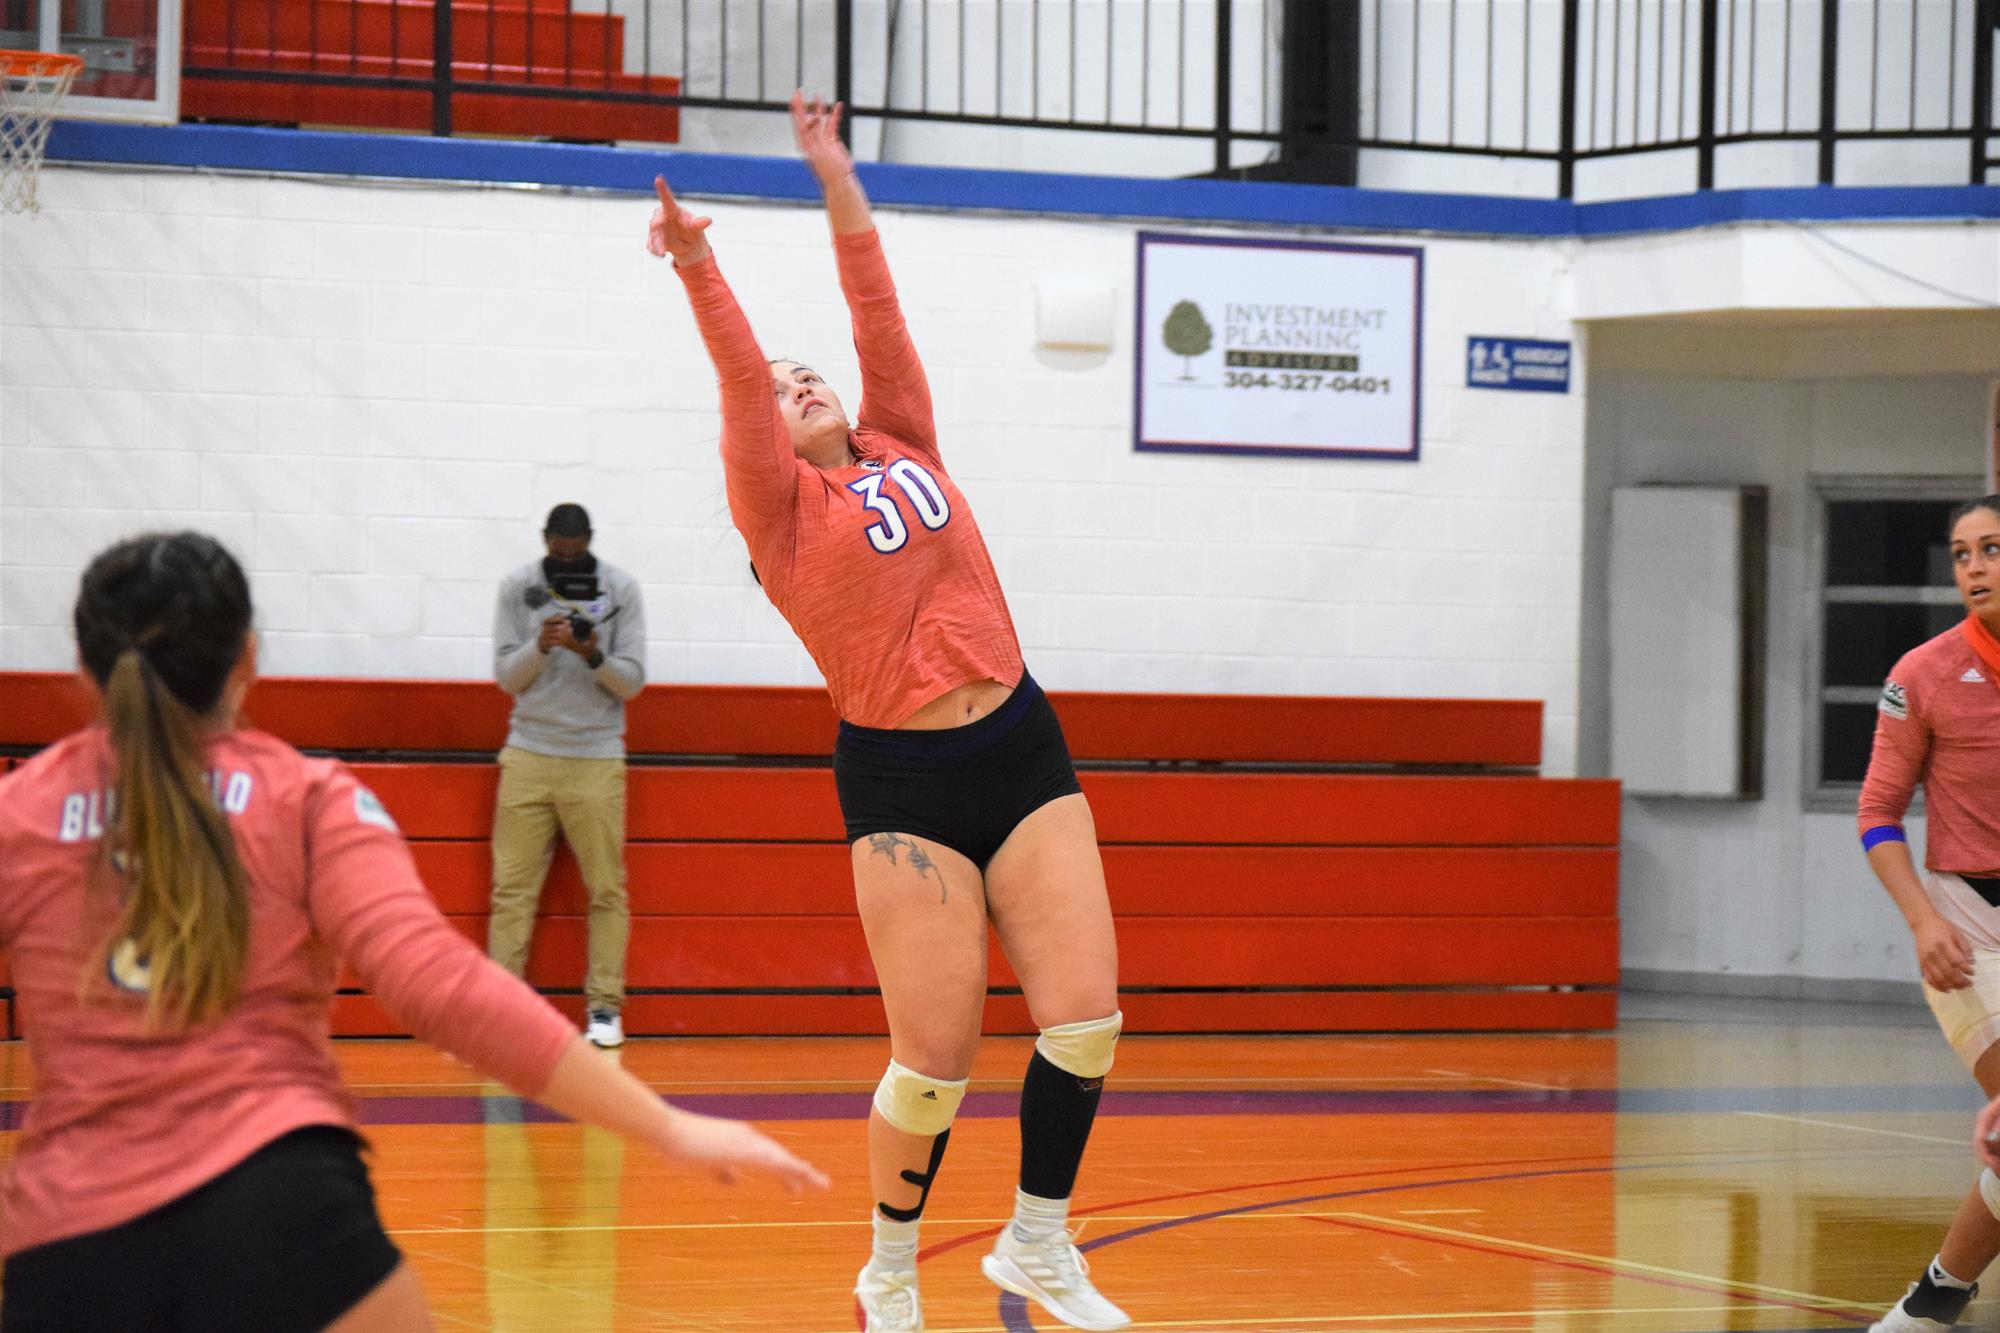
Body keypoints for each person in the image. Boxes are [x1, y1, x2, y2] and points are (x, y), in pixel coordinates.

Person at [0, 531, 823, 1333]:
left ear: (84, 668)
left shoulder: (20, 812)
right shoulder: (307, 799)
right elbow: (444, 988)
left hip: (65, 1235)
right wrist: (665, 1126)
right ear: (249, 656)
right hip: (278, 1202)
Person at [646, 92, 1131, 1333]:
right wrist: (700, 262)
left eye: (810, 375)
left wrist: (835, 175)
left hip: (1018, 741)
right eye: (781, 386)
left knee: (1083, 1021)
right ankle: (890, 1272)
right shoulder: (778, 515)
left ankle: (1036, 1244)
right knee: (935, 1065)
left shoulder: (903, 434)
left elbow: (875, 302)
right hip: (904, 784)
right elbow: (732, 371)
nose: (800, 382)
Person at [1860, 495, 2000, 1332]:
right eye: (1960, 554)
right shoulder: (1923, 674)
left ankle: (1940, 1295)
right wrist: (1922, 921)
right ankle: (1935, 1301)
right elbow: (1877, 812)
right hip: (1966, 924)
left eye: (1991, 548)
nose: (1974, 567)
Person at [491, 502, 646, 1049]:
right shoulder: (518, 586)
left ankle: (605, 1008)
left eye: (576, 555)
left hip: (597, 758)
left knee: (606, 889)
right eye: (560, 555)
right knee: (511, 891)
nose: (568, 561)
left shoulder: (621, 590)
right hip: (528, 754)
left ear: (589, 543)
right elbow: (508, 677)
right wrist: (542, 644)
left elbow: (631, 683)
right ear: (545, 542)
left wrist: (592, 654)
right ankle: (502, 1011)